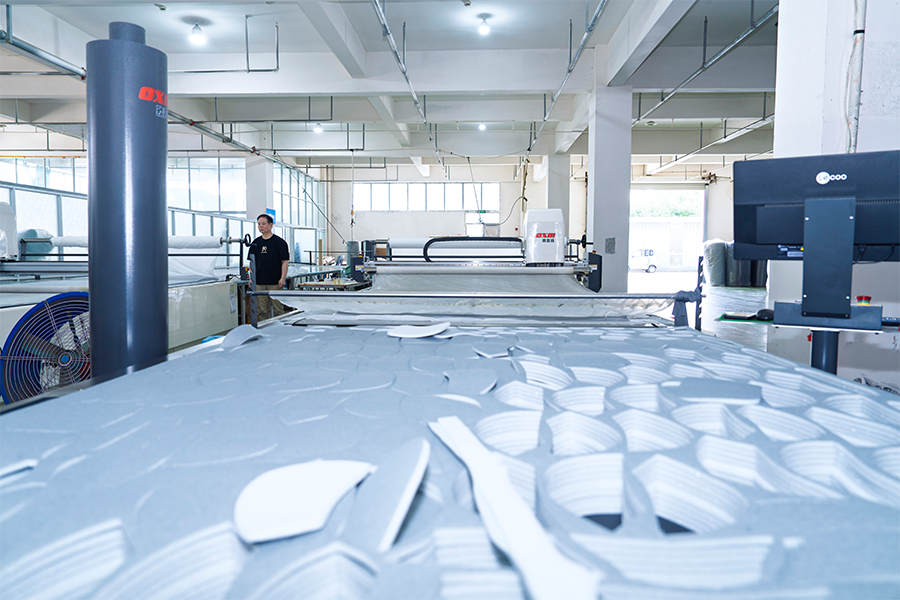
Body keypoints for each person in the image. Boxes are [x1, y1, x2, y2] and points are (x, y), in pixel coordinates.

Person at [247, 214, 290, 320]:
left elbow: (285, 262)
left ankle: (280, 329)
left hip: (275, 282)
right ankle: (264, 329)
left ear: (271, 225)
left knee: (278, 310)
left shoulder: (279, 243)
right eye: (259, 224)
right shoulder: (256, 243)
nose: (260, 226)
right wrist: (251, 278)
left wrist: (283, 278)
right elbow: (251, 262)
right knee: (262, 311)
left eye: (263, 223)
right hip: (259, 283)